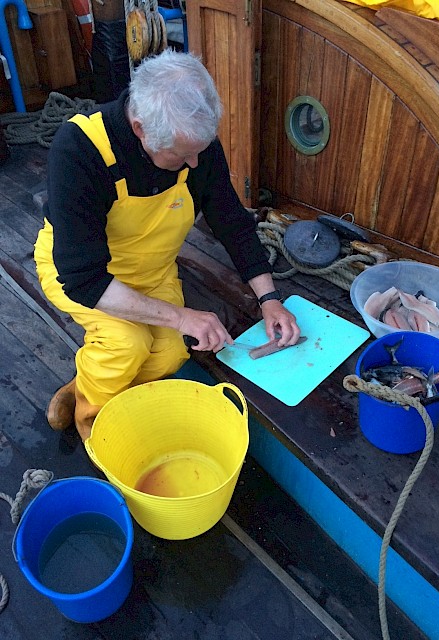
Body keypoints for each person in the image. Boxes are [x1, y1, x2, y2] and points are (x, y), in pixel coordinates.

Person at [34, 49, 301, 442]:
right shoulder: (79, 150)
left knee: (171, 352)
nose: (196, 163)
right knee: (127, 344)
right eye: (181, 155)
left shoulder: (192, 141)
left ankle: (84, 386)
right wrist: (180, 316)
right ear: (140, 129)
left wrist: (269, 299)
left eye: (199, 150)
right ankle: (94, 423)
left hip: (153, 271)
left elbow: (231, 221)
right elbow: (83, 279)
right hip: (81, 273)